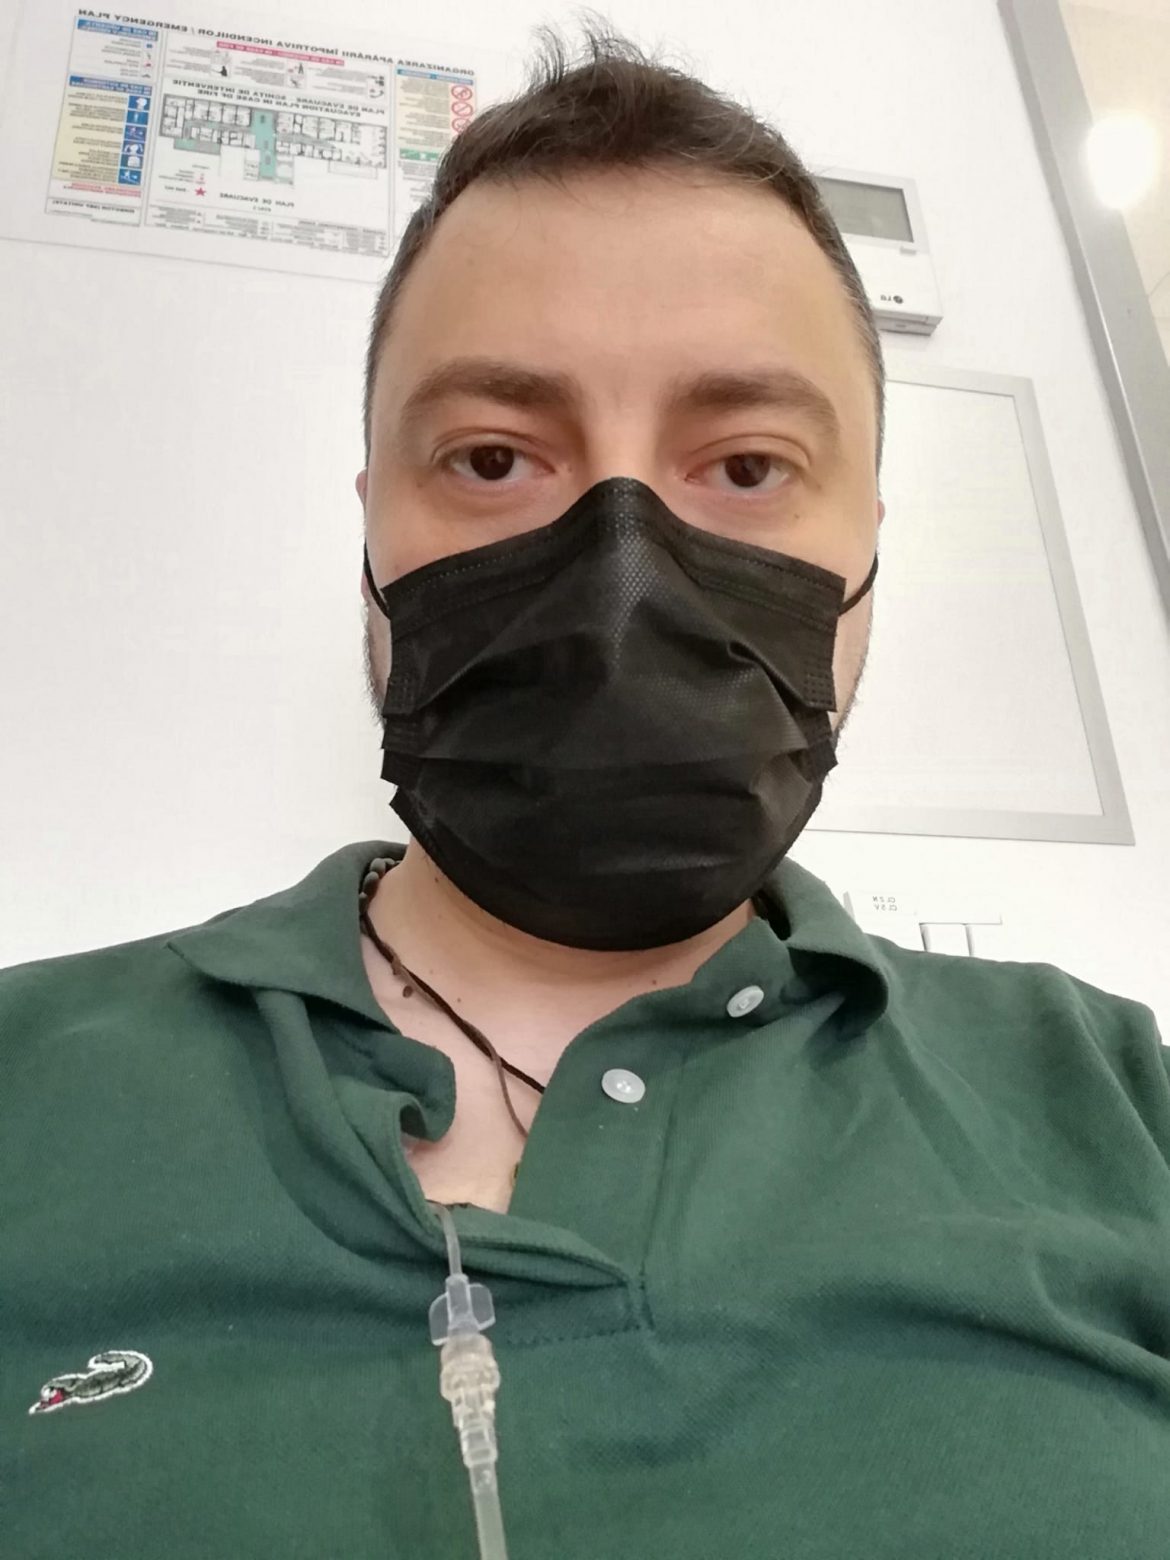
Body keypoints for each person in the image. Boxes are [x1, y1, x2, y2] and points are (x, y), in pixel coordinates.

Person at [4, 22, 1169, 1560]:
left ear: (868, 548)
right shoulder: (30, 1089)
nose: (621, 577)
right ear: (371, 527)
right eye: (494, 459)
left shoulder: (1109, 1102)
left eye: (744, 467)